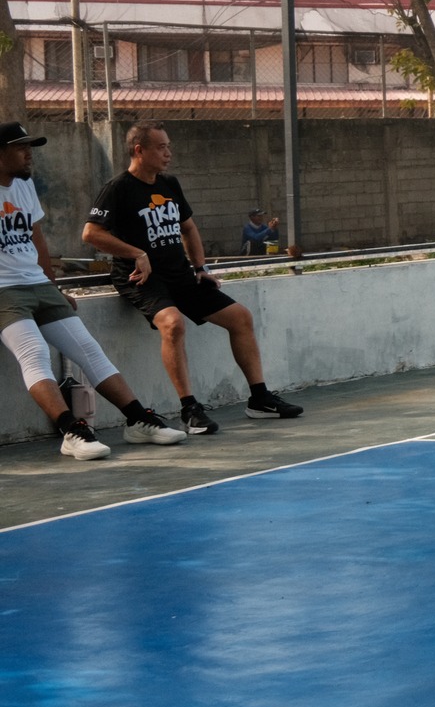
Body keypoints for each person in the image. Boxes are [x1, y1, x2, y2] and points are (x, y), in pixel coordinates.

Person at [82, 121, 304, 435]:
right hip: (142, 279)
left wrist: (201, 268)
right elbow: (91, 233)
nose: (168, 153)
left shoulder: (169, 184)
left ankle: (260, 399)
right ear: (138, 150)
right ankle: (190, 409)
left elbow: (188, 228)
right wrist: (137, 253)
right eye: (161, 147)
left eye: (168, 146)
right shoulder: (118, 188)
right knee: (173, 323)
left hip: (181, 275)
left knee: (240, 317)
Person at [1, 121, 186, 459]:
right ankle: (71, 430)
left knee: (88, 349)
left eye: (30, 147)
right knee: (35, 354)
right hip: (4, 293)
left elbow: (37, 238)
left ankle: (137, 420)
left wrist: (53, 287)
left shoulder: (23, 187)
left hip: (39, 285)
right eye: (21, 148)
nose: (29, 155)